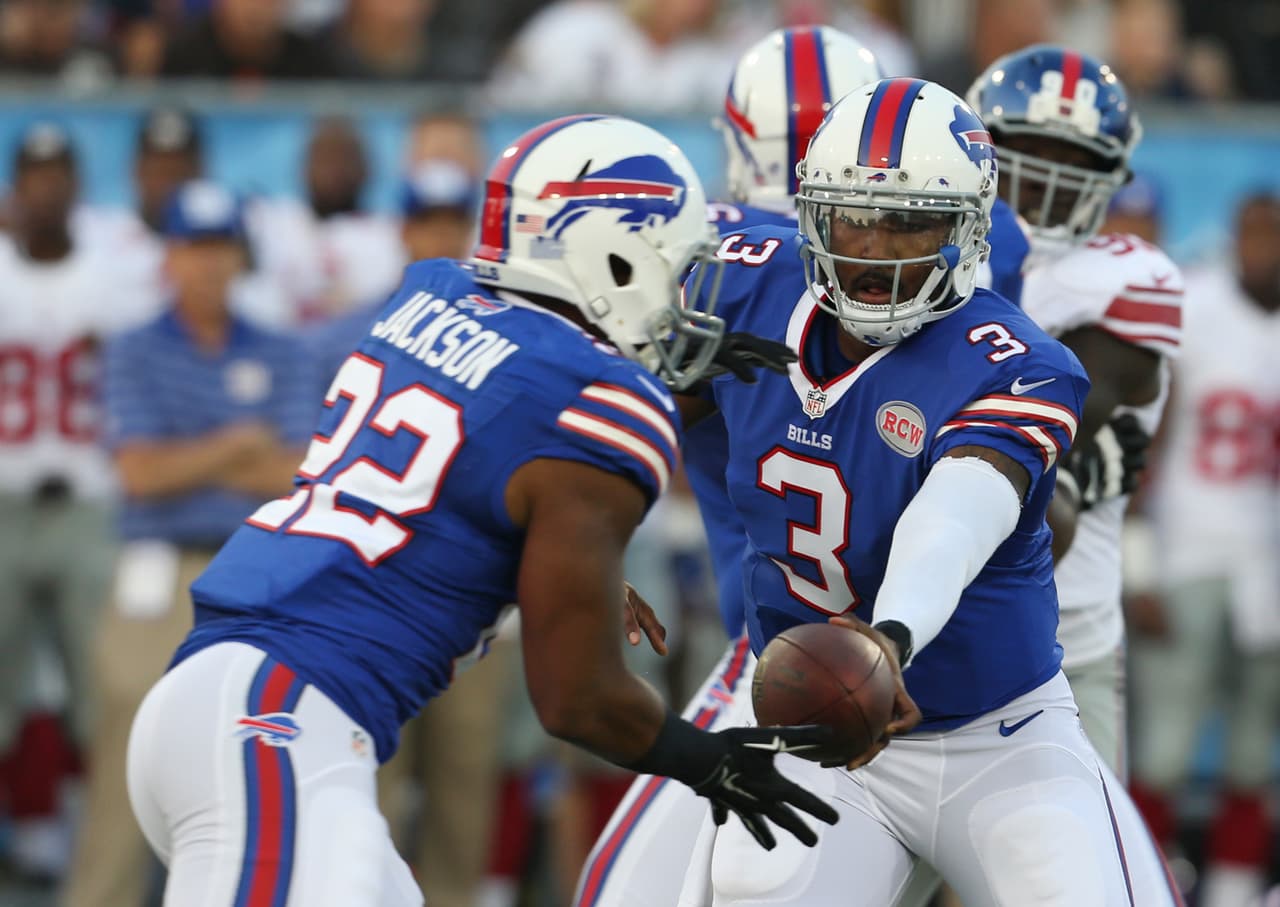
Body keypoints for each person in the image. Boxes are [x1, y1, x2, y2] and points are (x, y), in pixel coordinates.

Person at [125, 114, 837, 906]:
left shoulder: (434, 291)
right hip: (282, 724)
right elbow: (579, 698)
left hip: (224, 699)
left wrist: (662, 382)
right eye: (673, 267)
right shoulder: (604, 410)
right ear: (610, 253)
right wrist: (707, 759)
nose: (681, 298)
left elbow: (508, 413)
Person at [673, 78, 1182, 905]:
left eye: (912, 221)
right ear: (809, 214)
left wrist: (888, 640)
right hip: (819, 733)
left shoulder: (1016, 361)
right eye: (855, 216)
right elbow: (623, 407)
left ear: (970, 229)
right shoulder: (739, 287)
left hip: (999, 733)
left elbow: (955, 514)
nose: (876, 247)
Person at [575, 26, 884, 907]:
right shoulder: (959, 267)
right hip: (944, 661)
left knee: (625, 890)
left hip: (782, 665)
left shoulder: (707, 263)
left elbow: (599, 425)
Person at [65, 181, 318, 907]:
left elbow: (295, 473)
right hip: (159, 567)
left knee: (263, 750)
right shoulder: (135, 348)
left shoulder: (284, 348)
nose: (209, 264)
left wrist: (196, 455)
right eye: (194, 247)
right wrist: (238, 445)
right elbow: (140, 473)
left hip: (263, 570)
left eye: (221, 247)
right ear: (169, 257)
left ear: (241, 257)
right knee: (127, 748)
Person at [967, 45, 1185, 775]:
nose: (1042, 178)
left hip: (1066, 647)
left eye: (1071, 161)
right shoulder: (930, 255)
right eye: (1024, 151)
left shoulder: (1127, 276)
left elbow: (1045, 503)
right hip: (922, 636)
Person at [1129, 191, 1280, 907]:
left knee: (1254, 754)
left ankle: (1233, 892)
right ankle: (1146, 887)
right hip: (1187, 551)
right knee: (1163, 749)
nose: (1265, 247)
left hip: (1270, 568)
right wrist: (1137, 562)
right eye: (1254, 232)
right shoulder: (1194, 306)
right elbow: (1137, 439)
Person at [0, 121, 139, 883]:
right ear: (16, 189)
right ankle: (30, 831)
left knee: (98, 685)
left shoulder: (112, 274)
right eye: (34, 177)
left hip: (90, 499)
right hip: (6, 496)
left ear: (78, 188)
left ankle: (101, 849)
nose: (47, 190)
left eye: (59, 177)